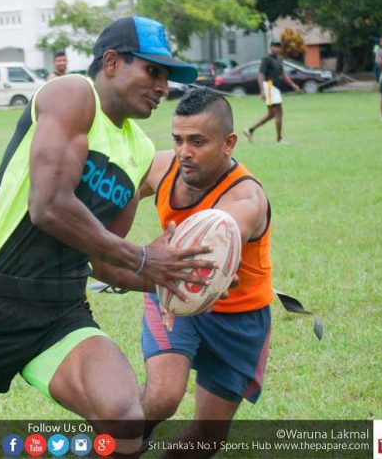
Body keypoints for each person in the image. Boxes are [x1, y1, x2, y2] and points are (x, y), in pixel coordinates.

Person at [0, 16, 210, 459]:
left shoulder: (136, 150)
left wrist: (172, 276)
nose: (163, 87)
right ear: (112, 62)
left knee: (124, 417)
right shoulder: (72, 94)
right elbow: (49, 206)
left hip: (61, 313)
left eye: (167, 77)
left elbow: (100, 256)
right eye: (152, 71)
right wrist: (142, 258)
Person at [93, 89, 273, 458]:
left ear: (228, 143)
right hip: (172, 293)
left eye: (197, 142)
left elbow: (221, 235)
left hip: (240, 319)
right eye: (177, 140)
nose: (184, 152)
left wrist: (201, 261)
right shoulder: (161, 168)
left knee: (208, 437)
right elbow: (109, 198)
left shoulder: (245, 199)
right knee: (161, 398)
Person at [243, 40, 300, 145]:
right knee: (279, 112)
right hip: (269, 87)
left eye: (279, 46)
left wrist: (292, 84)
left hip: (276, 88)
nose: (277, 48)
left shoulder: (279, 59)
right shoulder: (266, 59)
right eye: (275, 46)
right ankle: (279, 139)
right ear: (271, 47)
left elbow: (283, 74)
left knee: (271, 114)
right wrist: (262, 91)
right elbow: (260, 75)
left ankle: (250, 130)